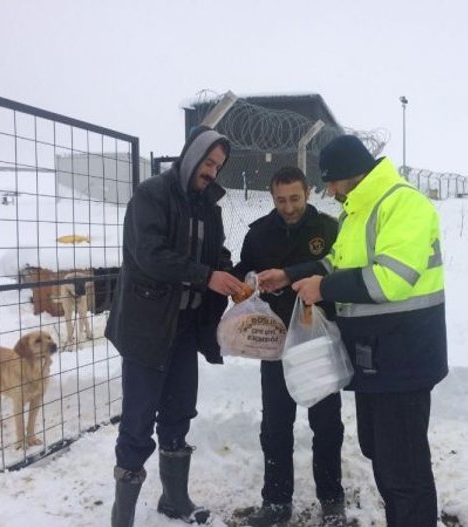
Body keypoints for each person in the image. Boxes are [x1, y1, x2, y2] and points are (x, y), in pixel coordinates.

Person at [258, 135, 448, 527]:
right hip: (374, 358)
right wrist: (291, 275)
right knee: (380, 455)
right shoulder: (358, 212)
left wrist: (322, 289)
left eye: (332, 181)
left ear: (351, 174)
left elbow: (391, 280)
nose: (329, 190)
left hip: (404, 358)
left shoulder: (403, 203)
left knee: (404, 470)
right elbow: (333, 263)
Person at [105, 125, 247, 527]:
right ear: (191, 156)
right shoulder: (152, 195)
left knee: (179, 411)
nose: (212, 173)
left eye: (218, 167)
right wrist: (206, 276)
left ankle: (174, 498)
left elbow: (215, 253)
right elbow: (149, 255)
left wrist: (232, 278)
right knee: (137, 422)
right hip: (147, 328)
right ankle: (123, 515)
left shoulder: (208, 207)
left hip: (186, 326)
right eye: (208, 162)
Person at [233, 166, 345, 527]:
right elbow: (244, 272)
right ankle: (277, 502)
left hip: (317, 342)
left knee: (327, 425)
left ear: (308, 192)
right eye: (281, 200)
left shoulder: (328, 229)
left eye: (295, 198)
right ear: (272, 197)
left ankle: (331, 500)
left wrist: (291, 273)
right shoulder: (259, 233)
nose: (289, 206)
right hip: (276, 341)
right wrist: (248, 283)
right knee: (275, 426)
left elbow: (341, 268)